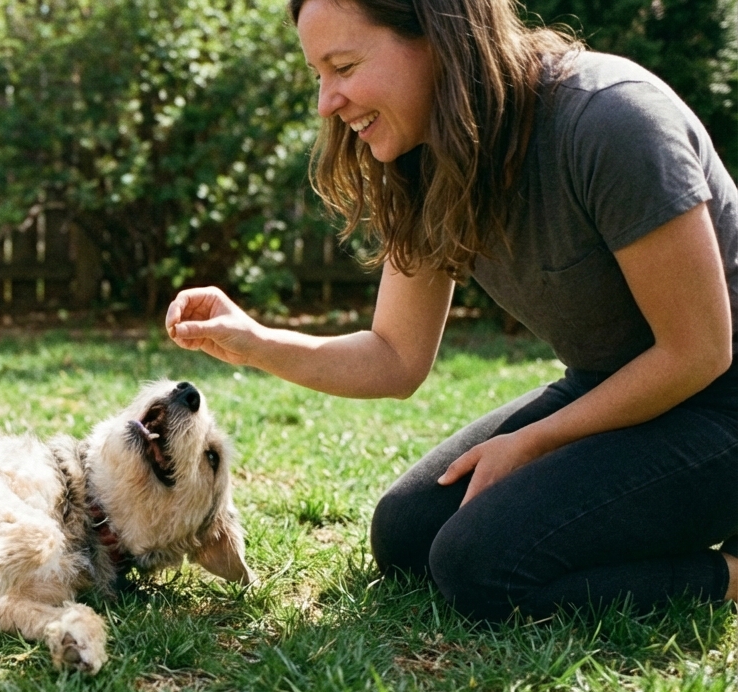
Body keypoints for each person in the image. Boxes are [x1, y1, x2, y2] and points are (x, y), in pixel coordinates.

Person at [165, 0, 738, 621]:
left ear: (439, 38)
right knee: (406, 536)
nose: (328, 102)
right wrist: (253, 340)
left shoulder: (611, 119)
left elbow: (699, 351)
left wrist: (537, 441)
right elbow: (395, 357)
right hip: (614, 389)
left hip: (721, 402)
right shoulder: (428, 155)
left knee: (483, 566)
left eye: (345, 66)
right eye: (318, 75)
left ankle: (730, 575)